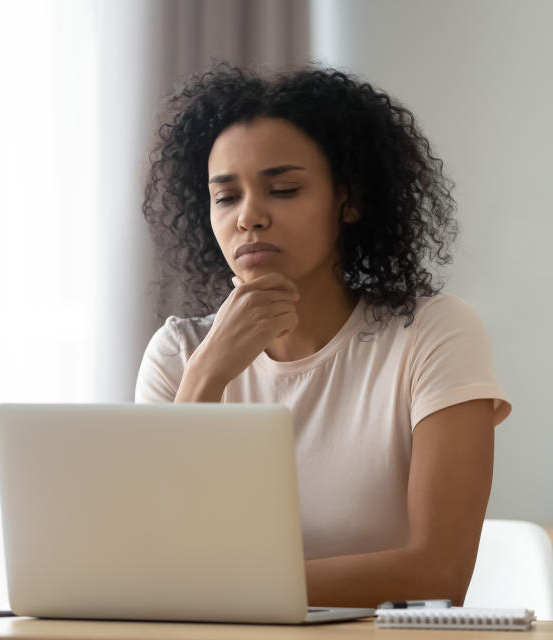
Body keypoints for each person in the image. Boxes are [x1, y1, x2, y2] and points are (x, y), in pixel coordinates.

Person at [136, 62, 512, 608]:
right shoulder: (180, 355)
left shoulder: (431, 334)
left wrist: (224, 590)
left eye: (283, 189)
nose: (249, 218)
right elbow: (148, 561)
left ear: (350, 199)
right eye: (226, 197)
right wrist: (206, 377)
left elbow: (439, 571)